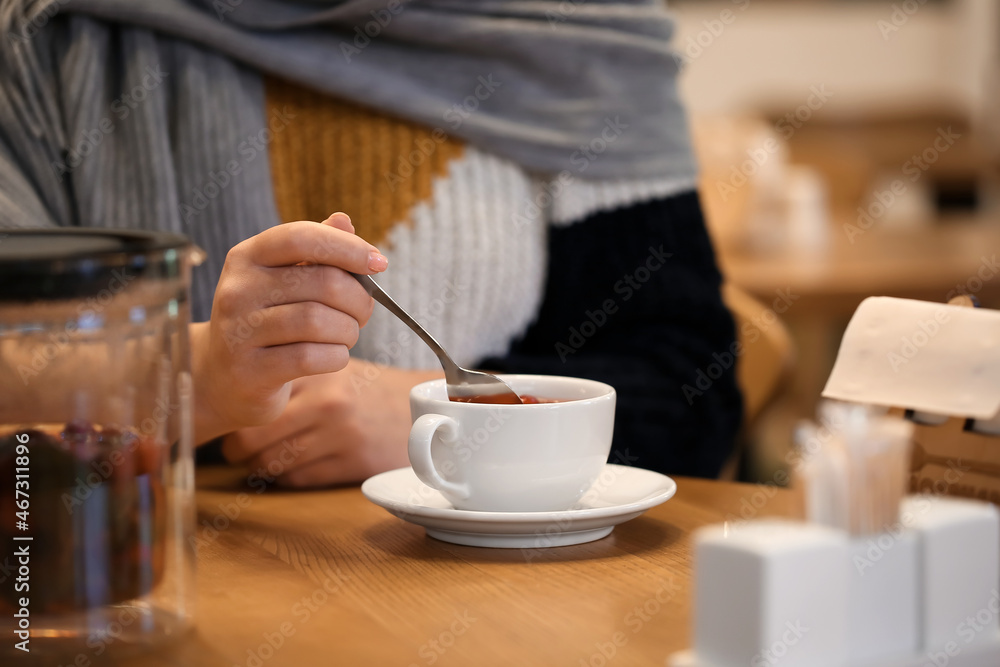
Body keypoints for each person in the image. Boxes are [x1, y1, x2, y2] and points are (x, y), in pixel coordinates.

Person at [0, 0, 742, 485]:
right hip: (161, 591)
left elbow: (691, 393)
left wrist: (455, 427)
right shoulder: (49, 37)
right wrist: (203, 378)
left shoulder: (577, 35)